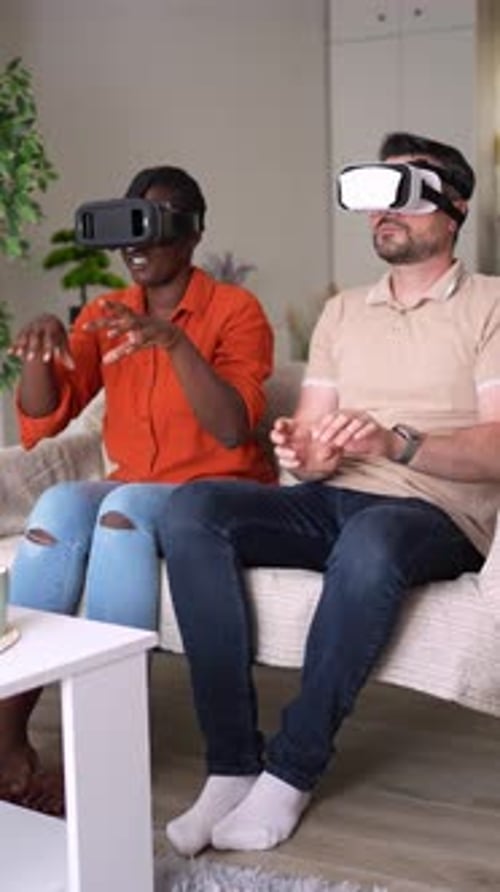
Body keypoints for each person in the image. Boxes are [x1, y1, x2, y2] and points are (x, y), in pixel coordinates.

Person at [161, 132, 500, 857]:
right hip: (337, 501)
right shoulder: (345, 311)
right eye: (376, 195)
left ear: (454, 208)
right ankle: (231, 763)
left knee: (372, 540)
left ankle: (291, 769)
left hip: (434, 512)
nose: (385, 212)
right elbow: (315, 436)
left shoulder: (490, 306)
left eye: (405, 194)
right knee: (193, 508)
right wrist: (306, 454)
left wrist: (394, 442)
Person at [0, 164, 275, 815]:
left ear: (193, 232)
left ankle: (107, 755)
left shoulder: (235, 311)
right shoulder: (105, 312)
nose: (136, 245)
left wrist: (178, 345)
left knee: (120, 510)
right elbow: (44, 421)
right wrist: (40, 352)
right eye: (127, 228)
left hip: (220, 494)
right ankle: (6, 739)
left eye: (153, 226)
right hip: (139, 484)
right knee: (61, 504)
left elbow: (234, 427)